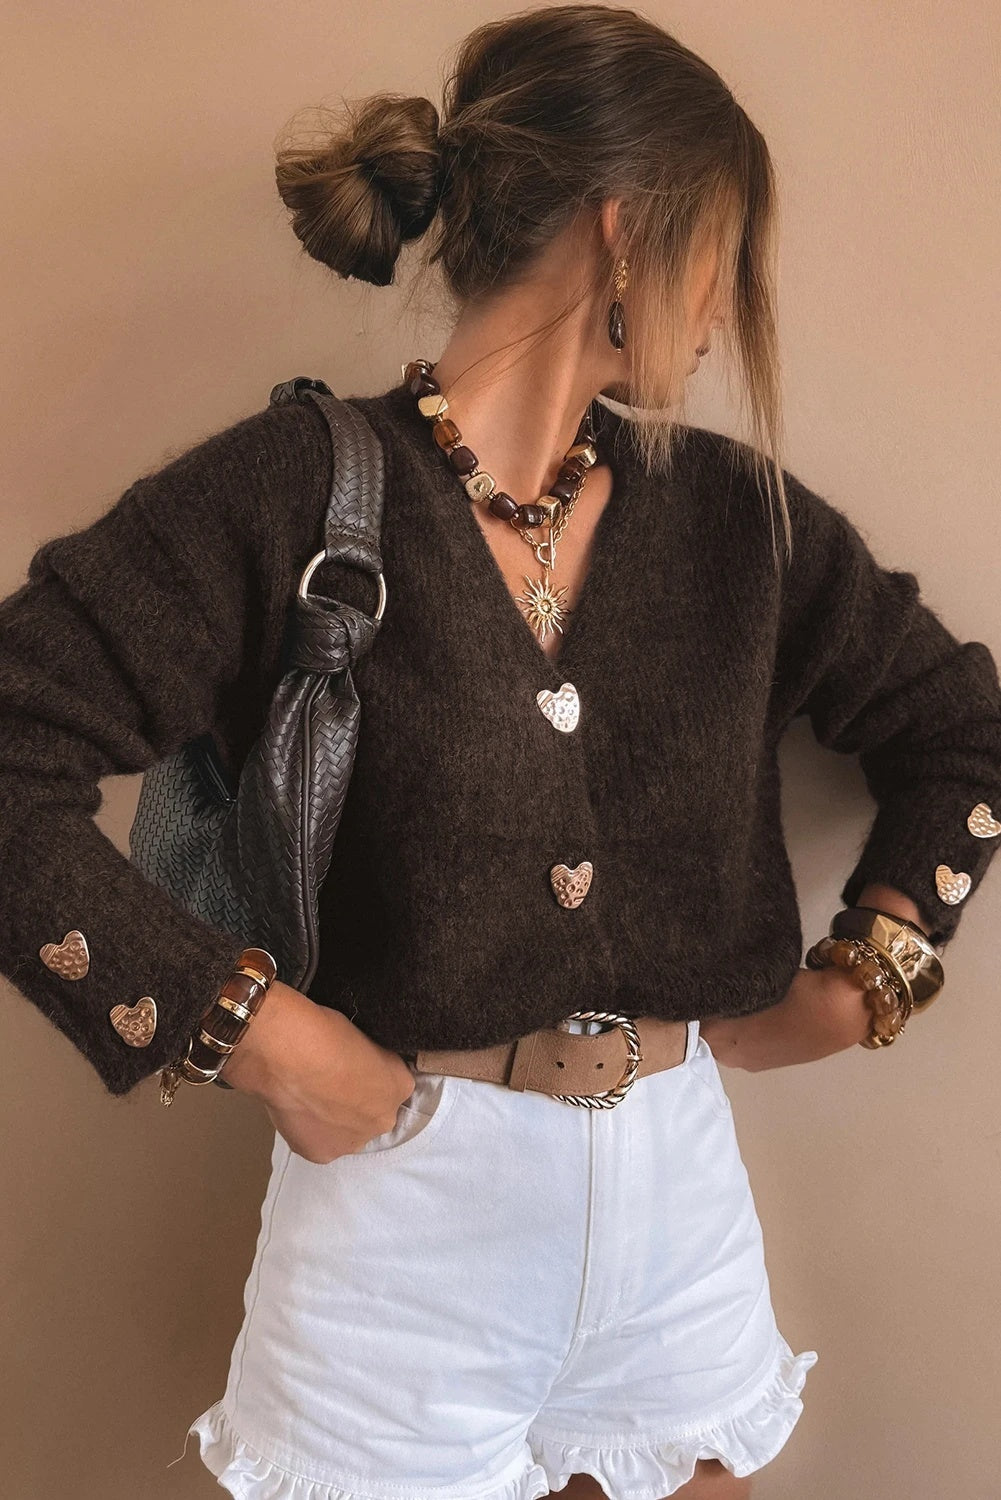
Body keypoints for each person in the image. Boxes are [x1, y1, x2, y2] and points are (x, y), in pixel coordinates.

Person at [3, 6, 1000, 1499]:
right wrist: (254, 1035)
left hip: (676, 1210)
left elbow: (961, 729)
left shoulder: (733, 519)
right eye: (723, 253)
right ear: (627, 232)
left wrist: (876, 974)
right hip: (399, 1229)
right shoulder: (288, 494)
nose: (726, 313)